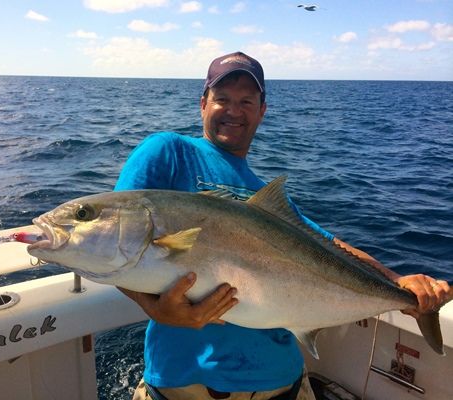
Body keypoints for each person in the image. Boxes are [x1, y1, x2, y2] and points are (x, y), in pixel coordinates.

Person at [114, 51, 451, 400]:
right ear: (202, 104)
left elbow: (329, 246)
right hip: (186, 386)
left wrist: (396, 283)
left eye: (247, 100)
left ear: (263, 110)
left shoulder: (268, 198)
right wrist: (153, 307)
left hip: (283, 383)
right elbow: (117, 245)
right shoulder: (169, 152)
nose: (233, 110)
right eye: (222, 99)